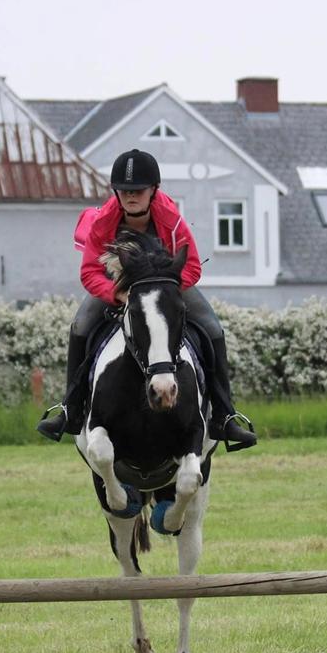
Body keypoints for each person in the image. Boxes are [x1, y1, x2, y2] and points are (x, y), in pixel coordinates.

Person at [37, 148, 257, 451]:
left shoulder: (171, 218)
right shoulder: (103, 222)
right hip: (119, 286)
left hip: (167, 285)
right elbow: (89, 272)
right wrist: (118, 293)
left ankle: (225, 415)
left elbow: (191, 266)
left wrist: (163, 293)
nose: (131, 197)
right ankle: (70, 409)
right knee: (80, 325)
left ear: (153, 190)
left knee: (213, 327)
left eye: (138, 190)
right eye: (124, 191)